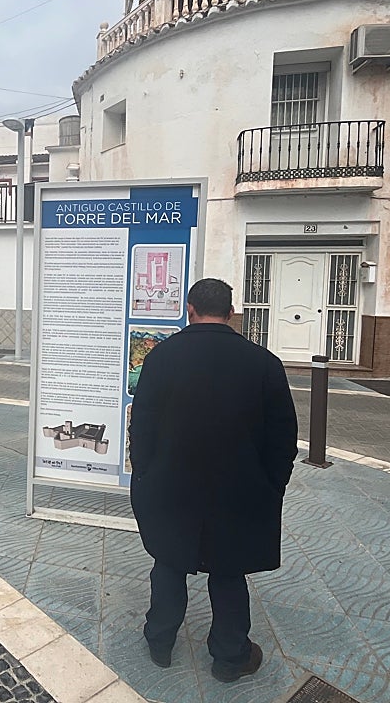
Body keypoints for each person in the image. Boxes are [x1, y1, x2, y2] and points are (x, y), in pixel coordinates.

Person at [128, 277, 298, 682]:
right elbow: (283, 437)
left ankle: (160, 642)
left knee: (169, 563)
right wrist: (272, 484)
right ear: (231, 313)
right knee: (228, 571)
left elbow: (143, 425)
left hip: (171, 486)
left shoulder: (161, 357)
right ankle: (230, 656)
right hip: (239, 489)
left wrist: (145, 473)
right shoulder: (264, 362)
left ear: (189, 310)